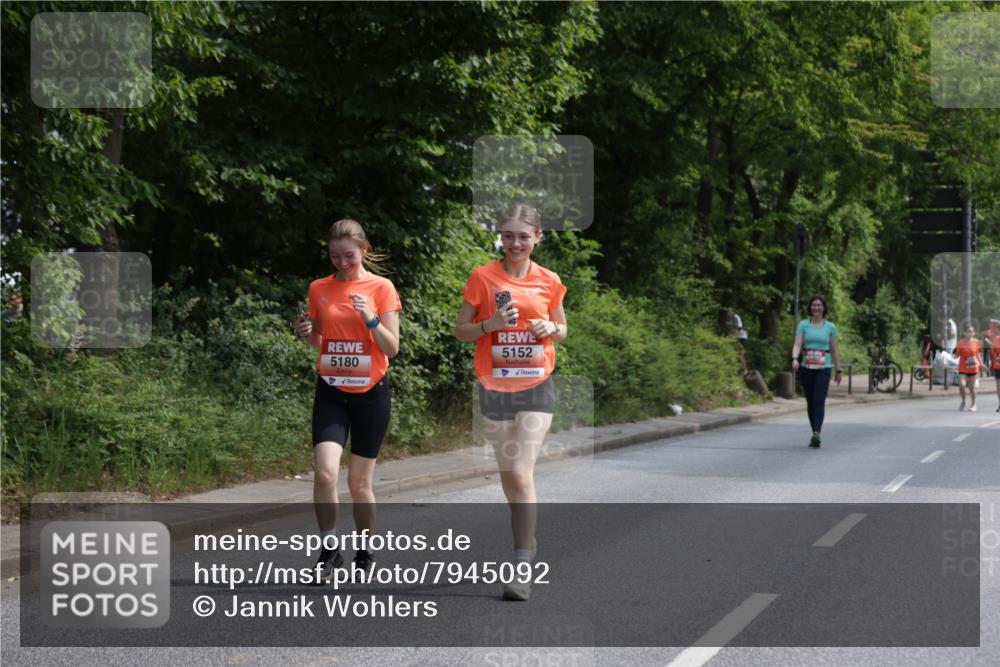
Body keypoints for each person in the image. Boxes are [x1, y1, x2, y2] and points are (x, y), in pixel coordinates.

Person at [454, 203, 567, 601]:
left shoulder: (549, 280)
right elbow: (461, 330)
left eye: (523, 236)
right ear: (500, 237)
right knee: (509, 475)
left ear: (537, 237)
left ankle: (522, 566)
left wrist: (550, 326)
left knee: (519, 472)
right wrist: (490, 325)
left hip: (536, 385)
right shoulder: (483, 277)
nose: (515, 243)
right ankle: (526, 538)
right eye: (508, 236)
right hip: (495, 385)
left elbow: (562, 327)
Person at [296, 219, 401, 582]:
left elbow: (392, 347)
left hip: (371, 394)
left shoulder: (381, 287)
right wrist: (307, 333)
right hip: (331, 390)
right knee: (325, 471)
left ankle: (365, 550)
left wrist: (370, 319)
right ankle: (329, 550)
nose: (342, 263)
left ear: (364, 250)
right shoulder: (319, 288)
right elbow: (320, 340)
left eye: (349, 256)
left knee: (359, 484)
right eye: (335, 256)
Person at [791, 295, 842, 448]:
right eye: (814, 305)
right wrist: (795, 358)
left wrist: (838, 370)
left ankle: (816, 433)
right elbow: (797, 344)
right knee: (810, 401)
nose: (816, 308)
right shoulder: (803, 325)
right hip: (806, 367)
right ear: (810, 307)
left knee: (819, 401)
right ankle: (814, 431)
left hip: (824, 367)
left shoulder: (830, 327)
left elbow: (834, 350)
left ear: (824, 308)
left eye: (819, 305)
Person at [955, 323, 981, 412]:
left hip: (973, 368)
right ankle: (963, 400)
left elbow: (978, 354)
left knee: (971, 387)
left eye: (972, 331)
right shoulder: (961, 343)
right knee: (961, 385)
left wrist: (981, 364)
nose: (970, 333)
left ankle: (973, 404)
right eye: (969, 331)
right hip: (963, 367)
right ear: (965, 333)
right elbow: (957, 355)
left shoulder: (976, 342)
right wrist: (950, 358)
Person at [725, 307, 749, 374]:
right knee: (733, 353)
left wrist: (733, 336)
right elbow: (729, 330)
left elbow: (739, 328)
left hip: (742, 337)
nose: (728, 313)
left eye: (729, 311)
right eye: (727, 312)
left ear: (732, 311)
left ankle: (745, 370)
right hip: (735, 337)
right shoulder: (727, 320)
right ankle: (735, 368)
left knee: (740, 354)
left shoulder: (736, 317)